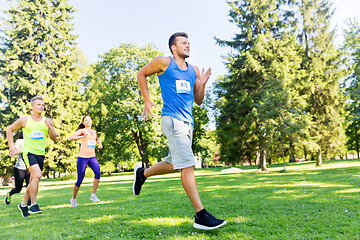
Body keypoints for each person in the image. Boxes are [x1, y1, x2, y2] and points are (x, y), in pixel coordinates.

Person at [134, 32, 227, 230]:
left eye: (189, 43)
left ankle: (143, 174)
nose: (188, 45)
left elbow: (198, 100)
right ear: (173, 47)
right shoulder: (164, 62)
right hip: (172, 120)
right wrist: (146, 99)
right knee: (187, 165)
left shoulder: (193, 70)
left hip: (188, 122)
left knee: (176, 163)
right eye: (183, 43)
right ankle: (201, 215)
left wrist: (201, 84)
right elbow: (141, 73)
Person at [6, 96, 60, 217]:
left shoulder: (47, 121)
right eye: (39, 104)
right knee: (37, 175)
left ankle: (23, 204)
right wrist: (11, 146)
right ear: (32, 107)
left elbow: (54, 137)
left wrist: (51, 128)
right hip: (28, 152)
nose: (41, 106)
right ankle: (33, 205)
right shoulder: (25, 120)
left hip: (40, 153)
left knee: (33, 180)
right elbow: (9, 129)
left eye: (43, 104)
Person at [68, 116, 103, 207]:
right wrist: (82, 136)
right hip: (82, 158)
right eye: (86, 120)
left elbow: (96, 139)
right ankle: (73, 199)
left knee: (98, 173)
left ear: (91, 121)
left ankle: (93, 195)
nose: (88, 121)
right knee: (80, 179)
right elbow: (71, 138)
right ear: (83, 122)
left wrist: (100, 144)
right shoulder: (83, 130)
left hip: (92, 157)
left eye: (89, 120)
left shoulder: (94, 132)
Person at [4, 132, 31, 206]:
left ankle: (29, 203)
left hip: (30, 167)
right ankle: (9, 194)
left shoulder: (31, 141)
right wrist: (23, 150)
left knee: (30, 185)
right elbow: (14, 152)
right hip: (20, 168)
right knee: (18, 189)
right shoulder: (19, 141)